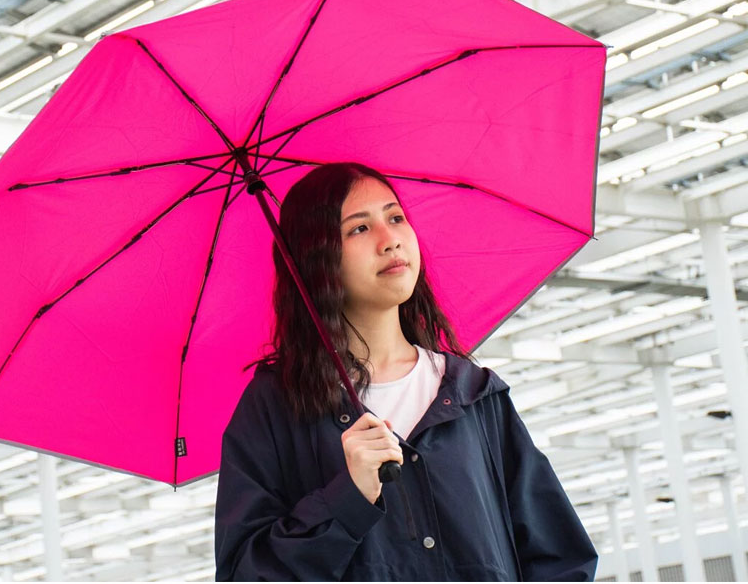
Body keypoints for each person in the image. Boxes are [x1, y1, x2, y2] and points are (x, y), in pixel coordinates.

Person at [214, 162, 597, 581]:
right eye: (359, 229)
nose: (389, 240)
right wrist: (349, 497)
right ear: (315, 258)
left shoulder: (474, 395)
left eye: (395, 217)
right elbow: (245, 574)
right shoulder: (276, 408)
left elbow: (561, 558)